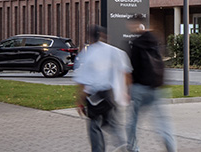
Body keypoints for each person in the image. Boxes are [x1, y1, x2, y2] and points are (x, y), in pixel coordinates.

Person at [75, 24, 131, 152]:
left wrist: (79, 101)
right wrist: (126, 91)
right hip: (110, 94)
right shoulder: (115, 51)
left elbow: (82, 81)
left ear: (90, 36)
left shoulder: (87, 54)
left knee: (94, 125)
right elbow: (126, 72)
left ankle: (99, 149)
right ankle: (121, 142)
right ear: (103, 35)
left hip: (94, 96)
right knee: (112, 122)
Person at [124, 14, 176, 152]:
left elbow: (132, 68)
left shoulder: (135, 44)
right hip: (156, 86)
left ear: (135, 24)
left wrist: (128, 90)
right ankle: (171, 147)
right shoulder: (155, 39)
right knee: (162, 121)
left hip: (140, 87)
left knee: (133, 120)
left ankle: (132, 147)